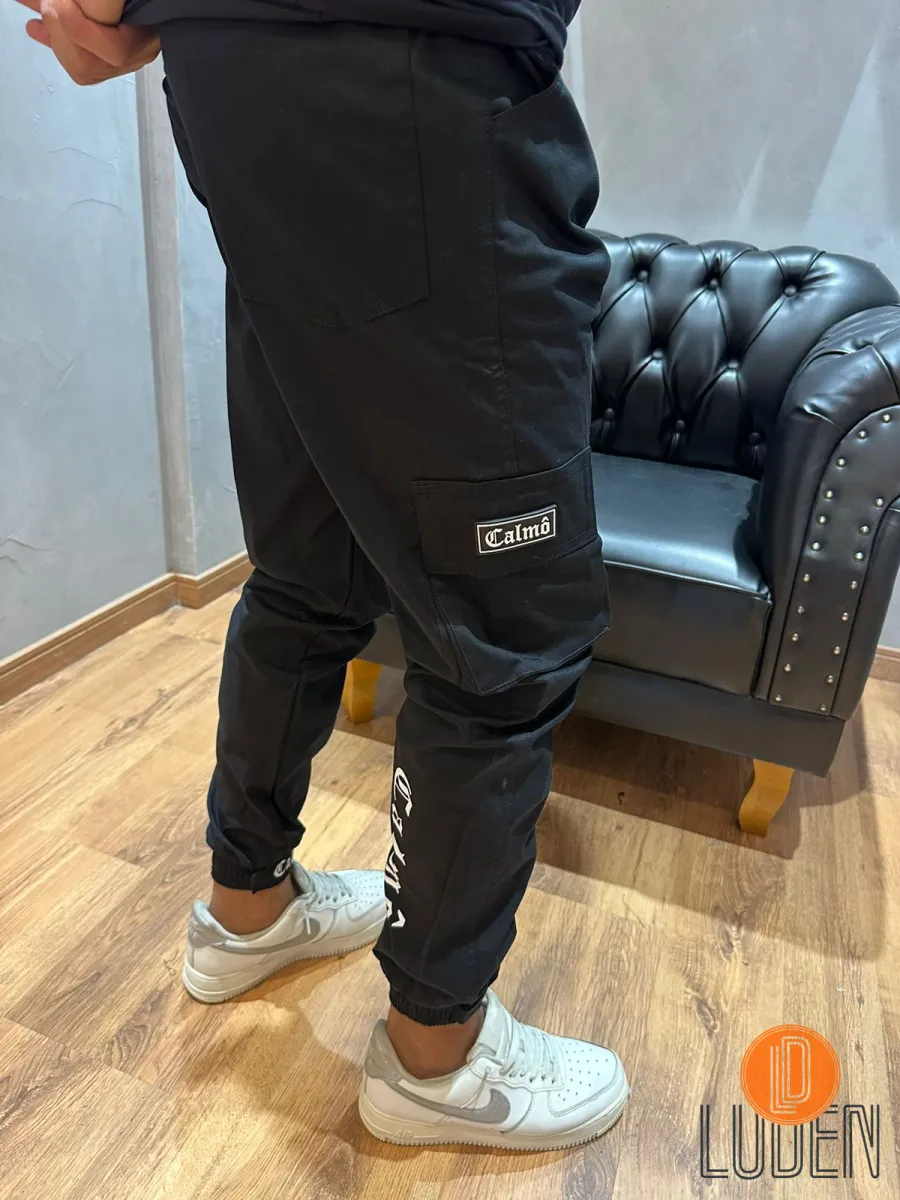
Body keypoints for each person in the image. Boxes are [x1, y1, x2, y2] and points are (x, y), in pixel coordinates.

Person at [16, 0, 630, 1151]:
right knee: (506, 630)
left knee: (311, 563)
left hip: (239, 73)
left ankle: (246, 908)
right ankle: (436, 1058)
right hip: (413, 64)